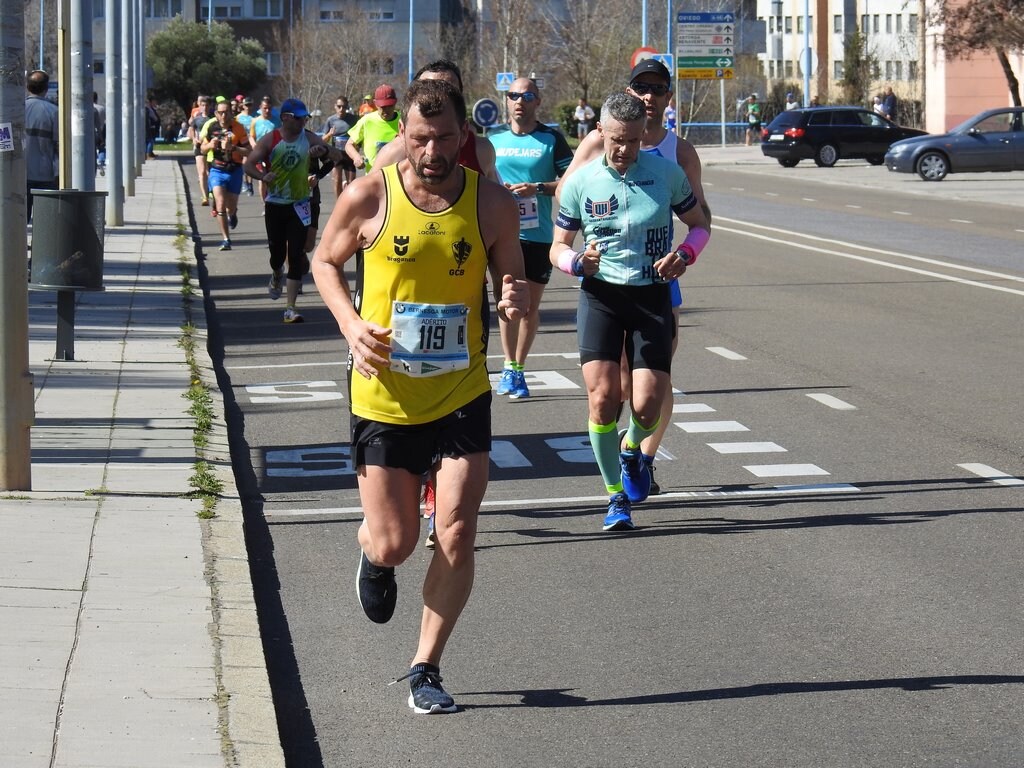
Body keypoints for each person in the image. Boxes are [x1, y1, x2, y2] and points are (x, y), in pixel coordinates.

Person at [312, 78, 528, 714]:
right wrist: (352, 326)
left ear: (464, 137)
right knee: (396, 542)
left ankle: (425, 667)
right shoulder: (369, 194)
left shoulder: (491, 203)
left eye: (444, 138)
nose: (431, 151)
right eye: (420, 138)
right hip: (384, 393)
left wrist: (510, 293)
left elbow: (508, 271)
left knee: (457, 532)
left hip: (462, 388)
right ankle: (373, 555)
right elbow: (325, 261)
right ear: (403, 136)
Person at [552, 92, 710, 531]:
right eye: (616, 140)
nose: (624, 150)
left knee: (645, 407)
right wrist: (574, 262)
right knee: (602, 399)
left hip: (651, 296)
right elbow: (557, 246)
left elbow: (700, 225)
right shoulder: (582, 182)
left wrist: (685, 254)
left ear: (644, 137)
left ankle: (632, 451)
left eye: (634, 141)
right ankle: (614, 497)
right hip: (601, 296)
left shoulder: (666, 174)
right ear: (600, 133)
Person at [489, 77, 573, 399]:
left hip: (538, 235)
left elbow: (570, 182)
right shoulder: (493, 137)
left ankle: (519, 368)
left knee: (529, 307)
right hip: (501, 233)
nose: (519, 101)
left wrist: (537, 188)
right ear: (506, 101)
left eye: (527, 96)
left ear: (538, 101)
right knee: (506, 300)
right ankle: (508, 365)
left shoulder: (551, 139)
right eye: (513, 95)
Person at [244, 97, 347, 324]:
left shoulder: (308, 138)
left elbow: (337, 156)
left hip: (300, 204)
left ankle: (290, 308)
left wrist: (322, 153)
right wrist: (263, 176)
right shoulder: (271, 140)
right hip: (275, 205)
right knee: (277, 255)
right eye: (298, 118)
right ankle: (276, 273)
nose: (302, 121)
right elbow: (248, 165)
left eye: (305, 118)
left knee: (297, 254)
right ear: (285, 118)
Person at [200, 99, 252, 251]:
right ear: (216, 114)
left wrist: (233, 148)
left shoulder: (238, 128)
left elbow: (249, 150)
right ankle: (226, 239)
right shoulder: (211, 127)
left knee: (231, 206)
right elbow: (202, 148)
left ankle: (233, 214)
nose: (223, 115)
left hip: (235, 170)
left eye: (226, 112)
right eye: (220, 112)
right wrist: (210, 145)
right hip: (217, 170)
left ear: (231, 113)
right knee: (220, 203)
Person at [25, 70, 59, 224]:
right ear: (46, 88)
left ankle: (17, 246)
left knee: (19, 219)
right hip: (45, 175)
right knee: (45, 222)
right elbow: (58, 145)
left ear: (28, 86)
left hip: (18, 175)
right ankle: (41, 247)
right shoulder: (54, 111)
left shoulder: (14, 110)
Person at [345, 84, 401, 173]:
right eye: (382, 107)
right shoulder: (367, 121)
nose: (386, 110)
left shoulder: (404, 121)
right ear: (375, 103)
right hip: (374, 178)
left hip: (399, 176)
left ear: (395, 102)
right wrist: (356, 157)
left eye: (389, 106)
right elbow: (349, 145)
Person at [322, 96, 358, 197]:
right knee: (337, 180)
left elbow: (360, 135)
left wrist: (357, 146)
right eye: (339, 106)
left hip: (349, 154)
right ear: (335, 107)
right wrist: (329, 134)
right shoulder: (330, 120)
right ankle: (339, 204)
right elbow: (323, 140)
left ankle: (350, 204)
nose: (341, 109)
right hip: (336, 154)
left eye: (344, 107)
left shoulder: (353, 119)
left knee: (351, 182)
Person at [250, 96, 282, 202]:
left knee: (275, 178)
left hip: (274, 154)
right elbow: (251, 136)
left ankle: (275, 199)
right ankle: (265, 203)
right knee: (262, 179)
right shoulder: (255, 121)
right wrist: (254, 145)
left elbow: (281, 136)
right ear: (260, 108)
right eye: (265, 108)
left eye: (269, 108)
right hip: (261, 154)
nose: (267, 111)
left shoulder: (276, 121)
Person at [188, 95, 214, 206]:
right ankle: (205, 197)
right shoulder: (197, 118)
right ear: (200, 106)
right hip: (199, 147)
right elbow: (191, 129)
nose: (205, 107)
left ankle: (212, 190)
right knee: (202, 172)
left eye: (207, 105)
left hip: (212, 148)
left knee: (210, 172)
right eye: (203, 105)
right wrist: (194, 139)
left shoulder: (214, 118)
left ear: (210, 106)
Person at [93, 91, 107, 175]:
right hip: (100, 131)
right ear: (96, 99)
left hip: (91, 133)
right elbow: (105, 120)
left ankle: (95, 163)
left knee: (92, 150)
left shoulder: (87, 108)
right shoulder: (101, 108)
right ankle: (101, 162)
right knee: (101, 148)